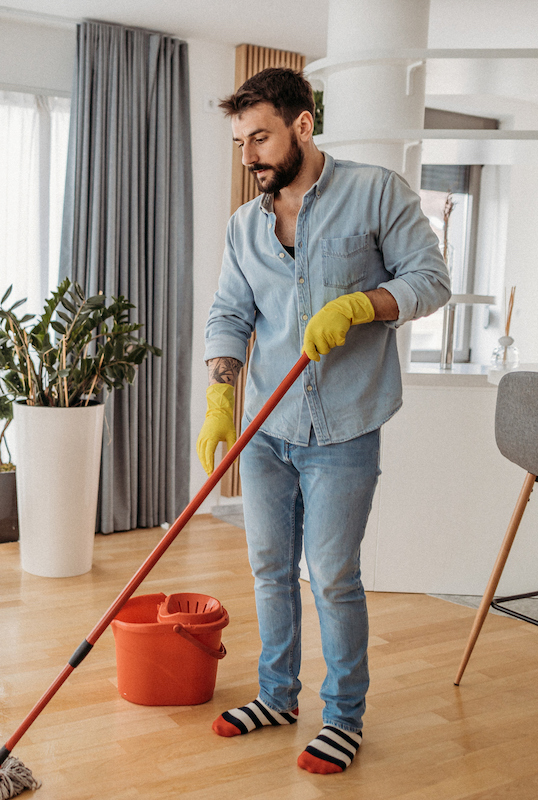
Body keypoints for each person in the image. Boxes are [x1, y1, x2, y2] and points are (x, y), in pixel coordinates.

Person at [198, 67, 451, 774]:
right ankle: (277, 695)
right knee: (269, 569)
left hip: (343, 425)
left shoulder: (375, 192)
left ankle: (343, 717)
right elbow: (229, 314)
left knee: (332, 574)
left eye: (260, 138)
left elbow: (430, 280)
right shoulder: (245, 226)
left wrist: (360, 305)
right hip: (264, 428)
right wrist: (222, 395)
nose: (248, 155)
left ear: (303, 126)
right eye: (240, 142)